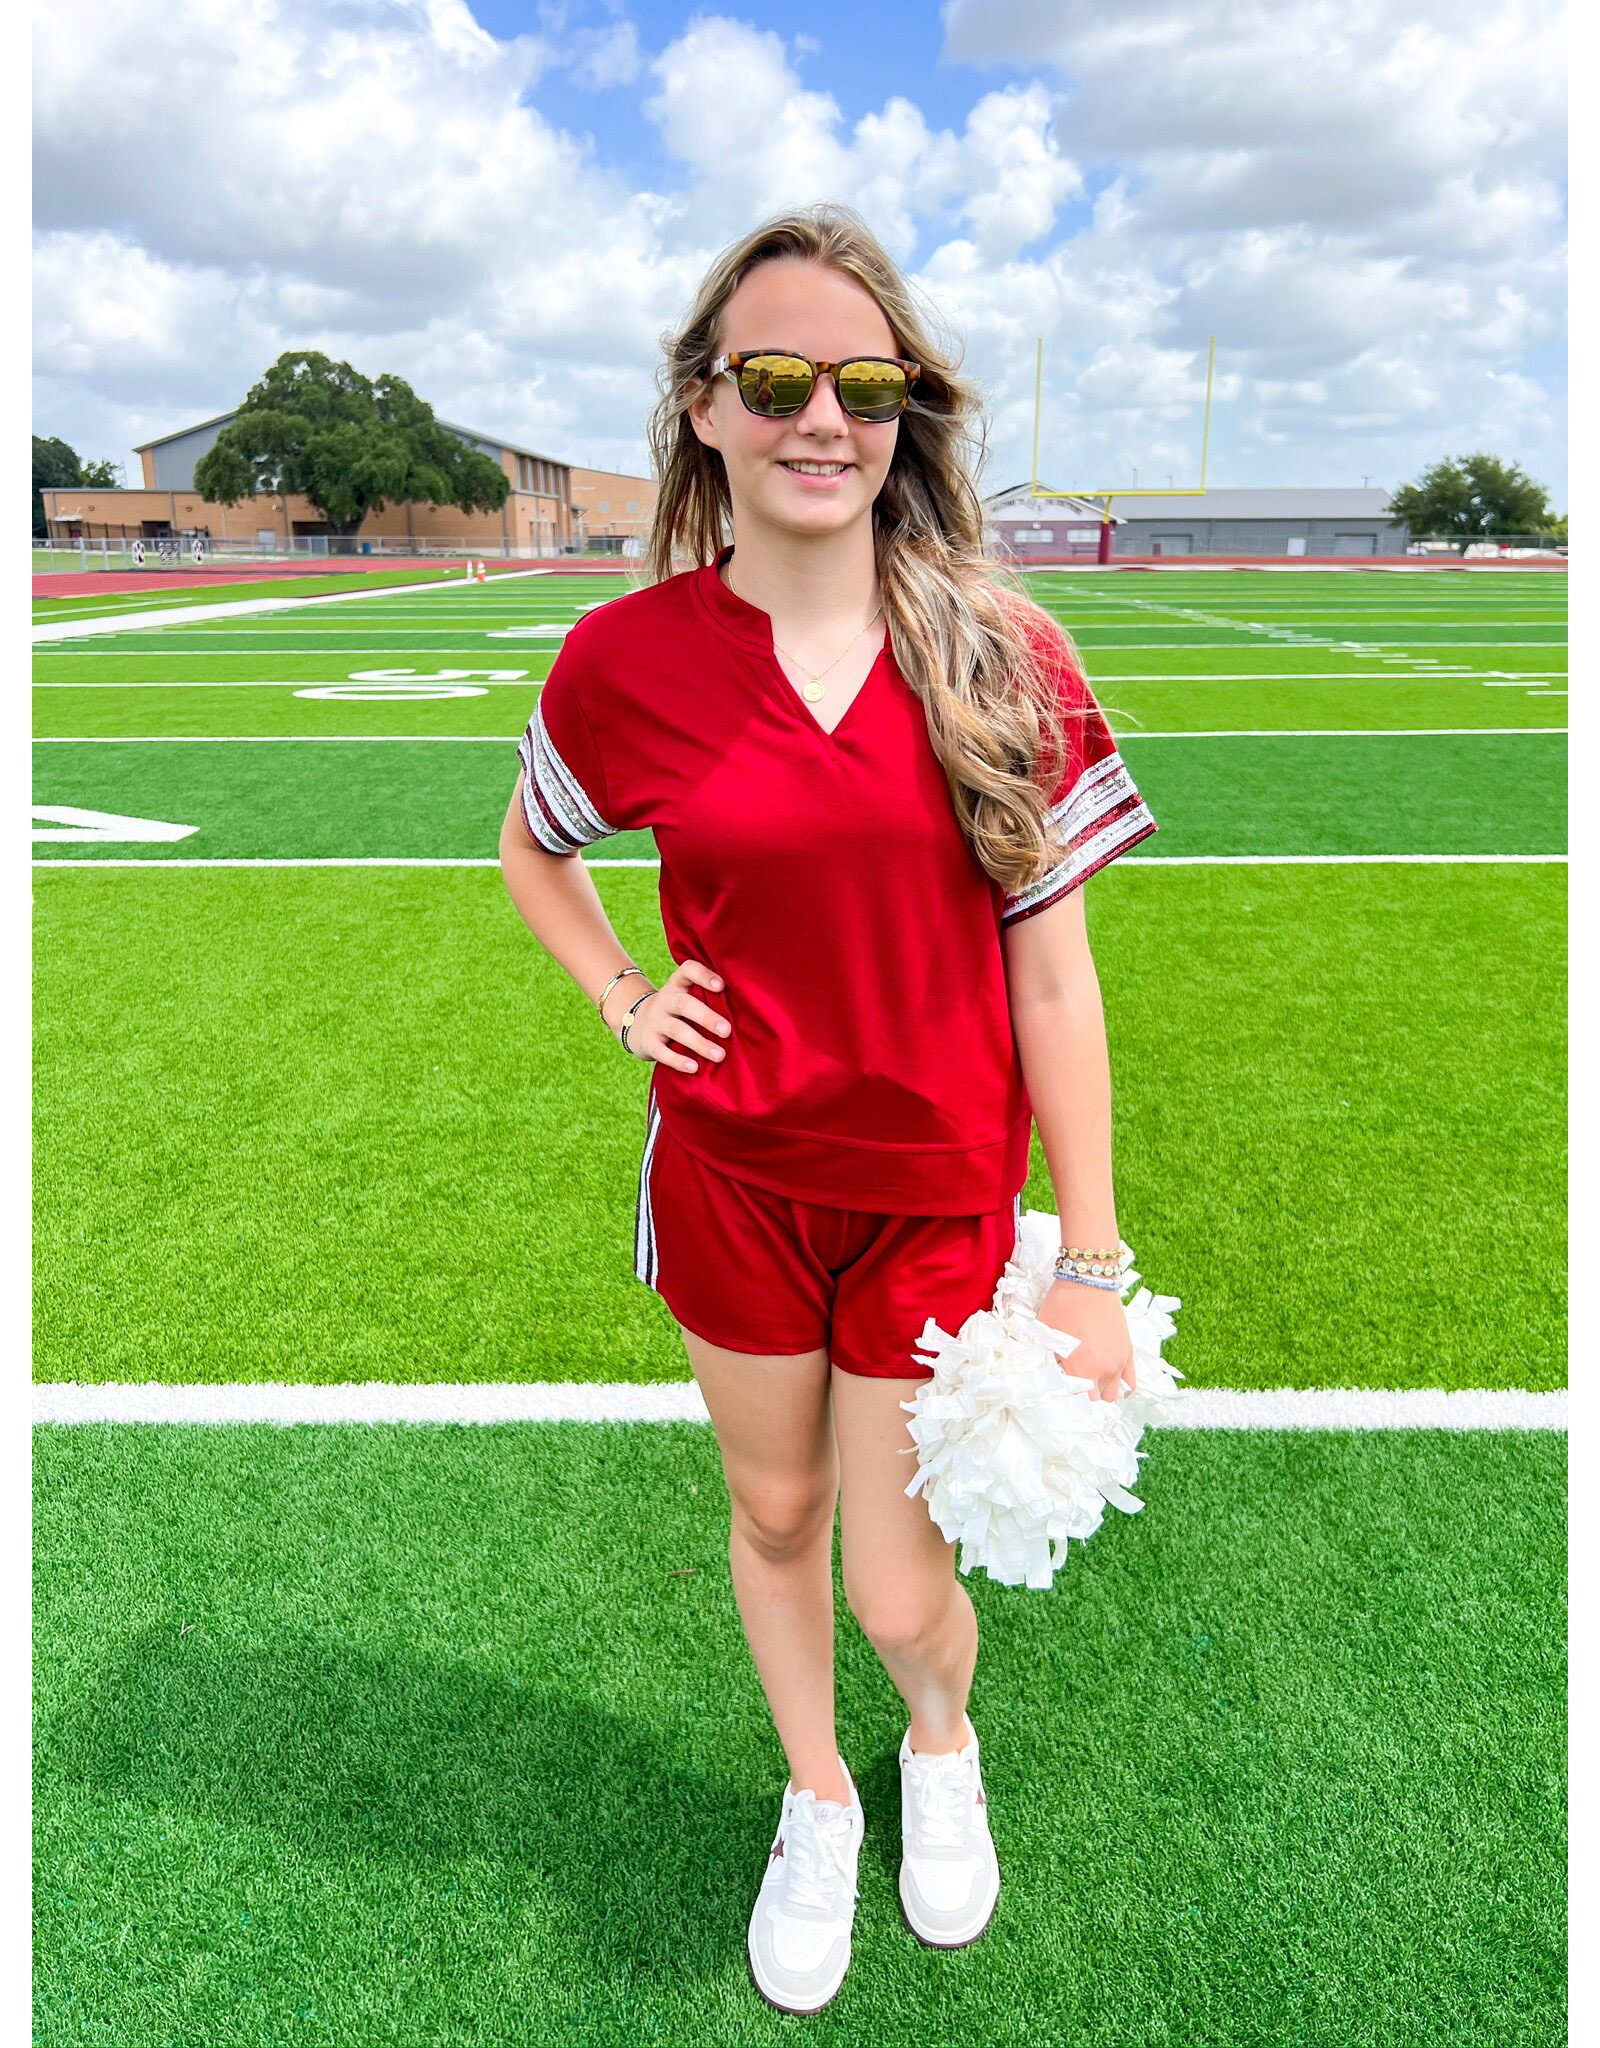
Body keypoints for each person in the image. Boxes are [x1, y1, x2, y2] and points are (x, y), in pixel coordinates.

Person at [499, 203, 1158, 2017]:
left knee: (893, 1583)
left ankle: (938, 1737)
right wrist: (626, 995)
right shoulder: (622, 660)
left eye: (861, 382)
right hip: (730, 1177)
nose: (820, 416)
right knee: (772, 1511)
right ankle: (820, 1794)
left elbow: (1054, 978)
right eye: (773, 376)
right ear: (704, 408)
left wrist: (1091, 1260)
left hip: (935, 1197)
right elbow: (535, 851)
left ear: (907, 413)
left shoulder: (1000, 656)